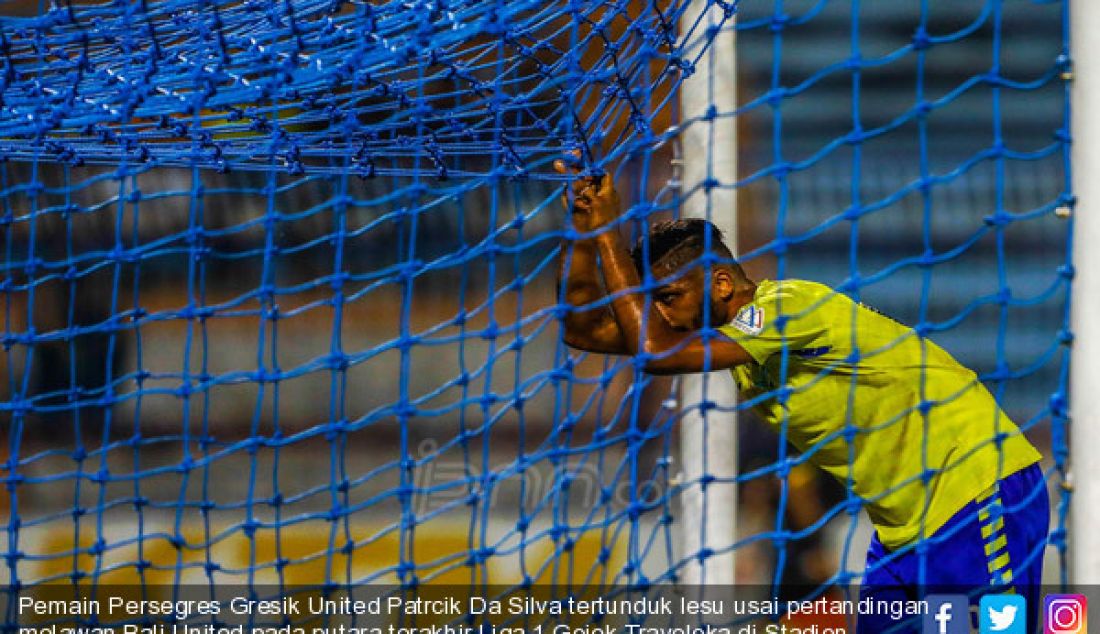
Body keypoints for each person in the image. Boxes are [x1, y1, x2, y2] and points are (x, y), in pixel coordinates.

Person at [554, 161, 1049, 633]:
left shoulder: (784, 309)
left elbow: (652, 352)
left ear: (722, 283)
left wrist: (607, 232)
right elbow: (582, 328)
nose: (659, 314)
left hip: (976, 492)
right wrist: (582, 224)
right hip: (903, 531)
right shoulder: (726, 335)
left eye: (666, 298)